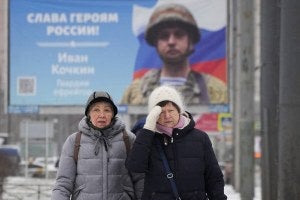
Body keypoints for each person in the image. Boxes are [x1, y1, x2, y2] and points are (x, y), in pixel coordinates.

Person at [126, 85, 227, 200]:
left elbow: (213, 177)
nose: (167, 116)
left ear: (179, 110)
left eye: (171, 110)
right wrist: (148, 127)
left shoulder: (200, 138)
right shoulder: (147, 138)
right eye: (161, 112)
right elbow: (135, 166)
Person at [121, 3, 227, 105]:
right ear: (156, 43)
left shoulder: (215, 91)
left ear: (191, 41)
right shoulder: (135, 92)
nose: (171, 41)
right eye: (164, 36)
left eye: (179, 34)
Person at [52, 91, 144, 200]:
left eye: (107, 110)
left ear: (113, 115)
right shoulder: (74, 141)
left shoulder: (128, 139)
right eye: (96, 110)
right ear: (89, 114)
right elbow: (63, 183)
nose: (102, 115)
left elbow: (140, 180)